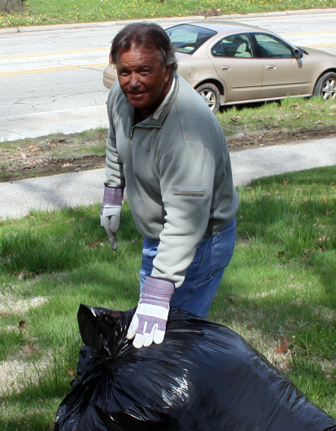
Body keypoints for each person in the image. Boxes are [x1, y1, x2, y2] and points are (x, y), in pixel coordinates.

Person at [100, 22, 240, 349]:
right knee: (154, 336)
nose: (133, 83)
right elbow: (115, 139)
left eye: (144, 71)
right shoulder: (121, 99)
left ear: (168, 69)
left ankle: (186, 395)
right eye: (124, 72)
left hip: (199, 242)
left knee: (171, 343)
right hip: (160, 234)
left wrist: (159, 288)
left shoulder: (186, 134)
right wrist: (112, 194)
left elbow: (186, 220)